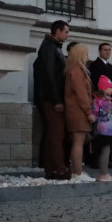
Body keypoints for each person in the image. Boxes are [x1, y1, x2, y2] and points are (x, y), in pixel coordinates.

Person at [32, 20, 71, 180]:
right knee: (56, 133)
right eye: (66, 32)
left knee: (52, 133)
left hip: (50, 97)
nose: (67, 35)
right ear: (58, 31)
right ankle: (59, 168)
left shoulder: (52, 47)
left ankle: (51, 169)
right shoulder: (49, 48)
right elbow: (49, 76)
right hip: (50, 98)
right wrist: (57, 100)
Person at [63, 44, 96, 180]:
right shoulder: (77, 71)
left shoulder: (75, 70)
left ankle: (77, 171)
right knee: (78, 142)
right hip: (78, 111)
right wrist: (89, 112)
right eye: (86, 54)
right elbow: (81, 94)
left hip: (77, 110)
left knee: (78, 142)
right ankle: (78, 173)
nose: (88, 56)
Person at [92, 76, 112, 182]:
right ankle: (103, 173)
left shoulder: (105, 100)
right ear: (103, 88)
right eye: (109, 87)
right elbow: (97, 113)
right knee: (105, 151)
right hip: (104, 129)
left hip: (106, 128)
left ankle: (104, 172)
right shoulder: (101, 101)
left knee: (105, 150)